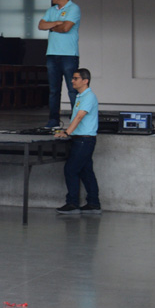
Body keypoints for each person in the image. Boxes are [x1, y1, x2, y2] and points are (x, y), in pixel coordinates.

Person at [55, 68, 100, 216]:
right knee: (86, 172)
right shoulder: (81, 96)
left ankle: (73, 203)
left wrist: (67, 132)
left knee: (71, 169)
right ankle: (93, 203)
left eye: (75, 78)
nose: (72, 81)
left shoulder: (88, 97)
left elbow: (79, 117)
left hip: (84, 140)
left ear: (85, 81)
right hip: (80, 139)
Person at [40, 0, 81, 128]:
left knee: (73, 89)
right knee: (53, 90)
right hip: (52, 54)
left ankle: (77, 121)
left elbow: (66, 28)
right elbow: (41, 25)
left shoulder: (74, 8)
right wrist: (57, 23)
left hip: (69, 55)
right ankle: (53, 120)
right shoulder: (51, 10)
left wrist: (51, 26)